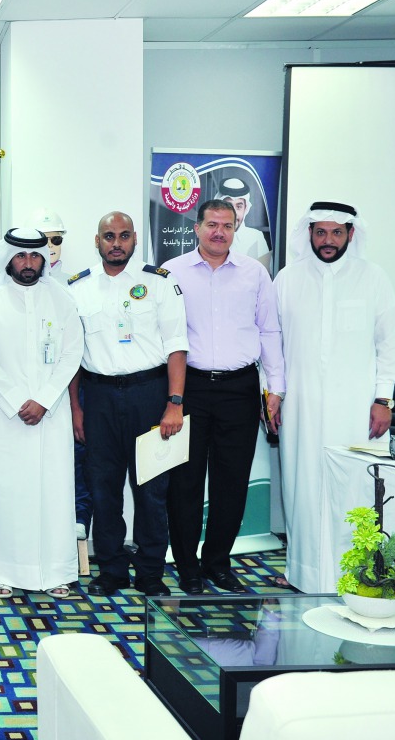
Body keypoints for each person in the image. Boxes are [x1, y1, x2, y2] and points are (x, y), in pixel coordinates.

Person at [274, 201, 395, 593]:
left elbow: (389, 343)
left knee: (352, 491)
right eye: (320, 232)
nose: (328, 241)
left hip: (355, 408)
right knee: (302, 488)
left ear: (350, 234)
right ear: (309, 234)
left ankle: (352, 576)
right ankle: (302, 573)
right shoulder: (287, 279)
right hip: (301, 407)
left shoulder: (373, 278)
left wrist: (384, 399)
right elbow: (271, 344)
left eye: (336, 232)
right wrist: (272, 396)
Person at [162, 199, 285, 594]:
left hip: (239, 389)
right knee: (185, 483)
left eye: (227, 226)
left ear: (237, 229)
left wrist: (275, 387)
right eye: (212, 224)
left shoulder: (255, 273)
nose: (219, 232)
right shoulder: (171, 273)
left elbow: (269, 331)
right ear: (196, 228)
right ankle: (187, 567)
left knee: (231, 482)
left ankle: (218, 563)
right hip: (190, 388)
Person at [67, 211, 188, 597]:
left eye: (123, 236)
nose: (116, 243)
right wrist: (76, 409)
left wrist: (174, 403)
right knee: (103, 488)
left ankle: (151, 572)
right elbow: (72, 357)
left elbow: (176, 347)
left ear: (135, 240)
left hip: (149, 394)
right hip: (98, 396)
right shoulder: (78, 288)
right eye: (108, 236)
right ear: (97, 240)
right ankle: (112, 570)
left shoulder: (159, 284)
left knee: (152, 490)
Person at [0, 228, 83, 600]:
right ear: (9, 259)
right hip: (4, 417)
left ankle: (55, 571)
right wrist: (17, 400)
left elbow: (73, 353)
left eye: (34, 256)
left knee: (52, 493)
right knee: (3, 492)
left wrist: (44, 399)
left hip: (49, 417)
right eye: (20, 256)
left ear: (44, 259)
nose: (27, 263)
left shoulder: (63, 300)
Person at [31, 208, 93, 542]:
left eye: (56, 239)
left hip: (72, 383)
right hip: (27, 389)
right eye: (43, 239)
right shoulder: (8, 284)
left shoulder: (76, 285)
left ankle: (79, 517)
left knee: (76, 454)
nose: (49, 246)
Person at [218, 177, 271, 266]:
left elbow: (264, 275)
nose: (233, 214)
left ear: (245, 209)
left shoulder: (256, 237)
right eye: (228, 206)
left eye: (238, 207)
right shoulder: (211, 236)